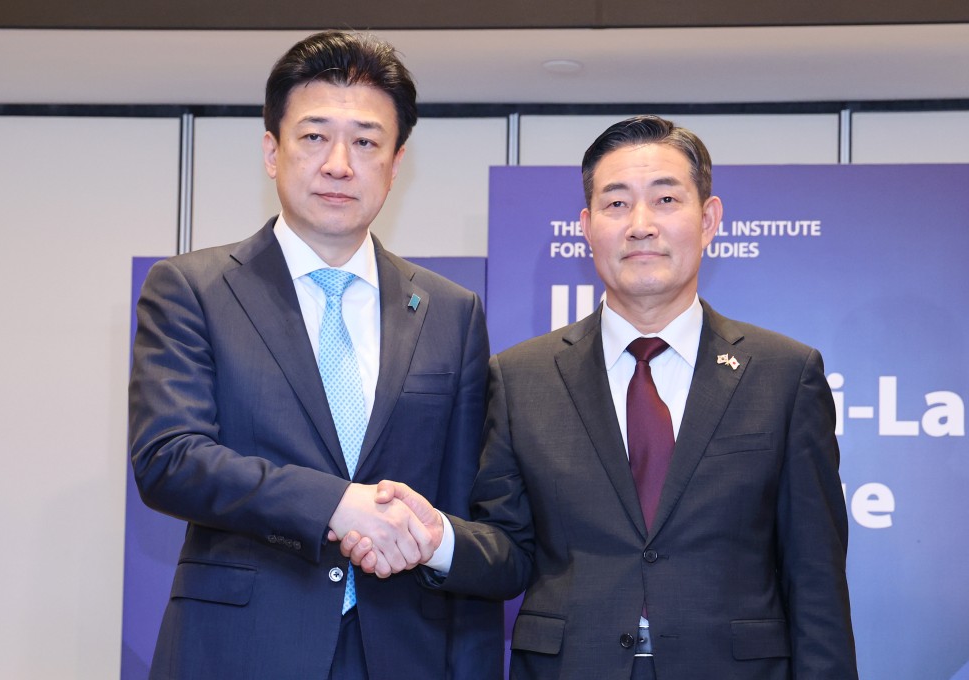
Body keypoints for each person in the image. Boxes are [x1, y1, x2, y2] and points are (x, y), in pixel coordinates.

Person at [342, 115, 859, 679]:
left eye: (665, 199)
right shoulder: (520, 377)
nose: (641, 225)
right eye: (616, 205)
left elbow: (816, 581)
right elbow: (510, 551)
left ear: (709, 220)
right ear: (586, 226)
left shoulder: (784, 375)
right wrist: (439, 540)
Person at [128, 30, 501, 680]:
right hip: (239, 650)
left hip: (402, 653)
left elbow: (464, 517)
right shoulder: (191, 289)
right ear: (272, 151)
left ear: (396, 160)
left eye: (365, 141)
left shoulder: (453, 312)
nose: (338, 163)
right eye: (314, 136)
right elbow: (170, 459)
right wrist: (336, 503)